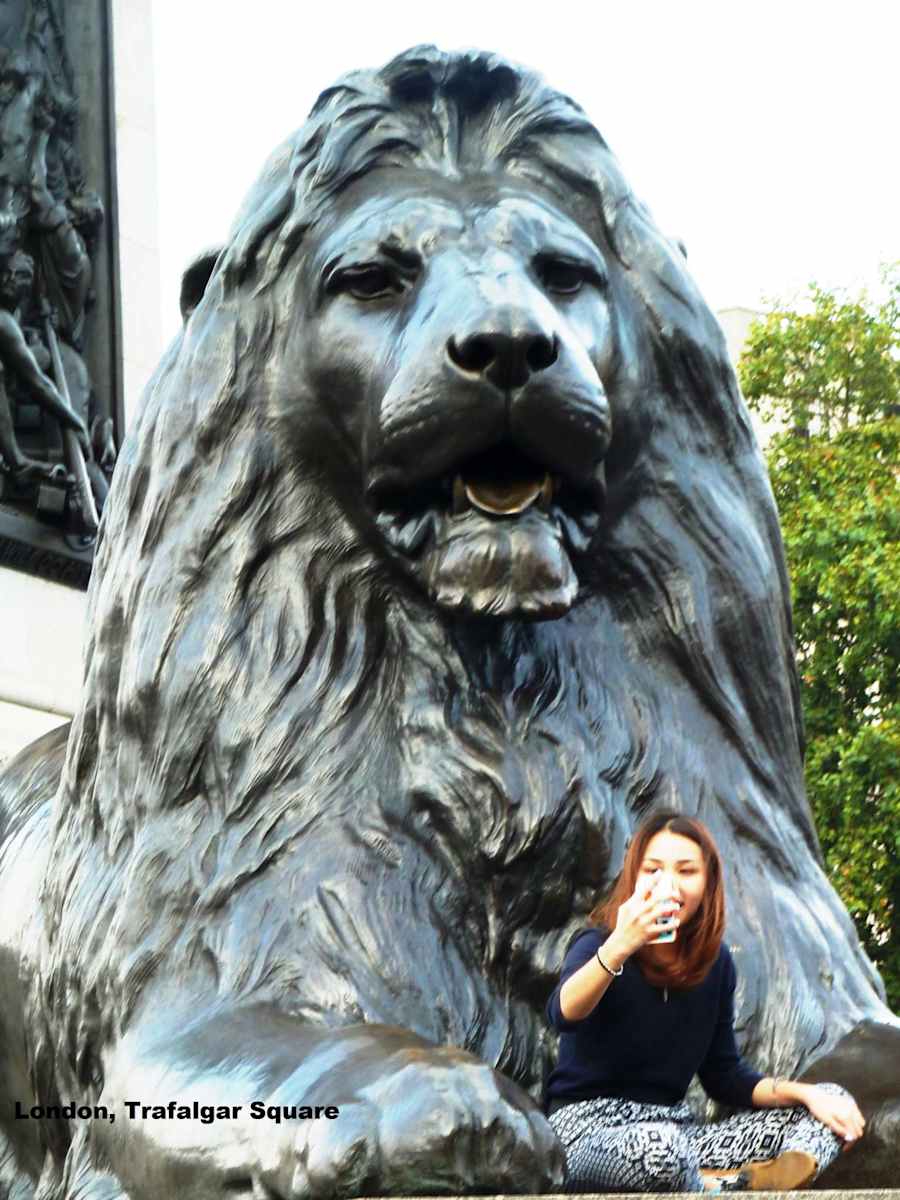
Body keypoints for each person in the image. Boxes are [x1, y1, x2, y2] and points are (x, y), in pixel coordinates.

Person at [545, 810, 865, 1193]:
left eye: (686, 871)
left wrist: (805, 1093)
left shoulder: (716, 965)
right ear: (634, 878)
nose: (668, 884)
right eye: (653, 870)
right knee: (661, 1150)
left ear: (707, 882)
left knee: (832, 1101)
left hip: (681, 1134)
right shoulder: (598, 944)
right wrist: (620, 946)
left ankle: (730, 1181)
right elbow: (563, 1013)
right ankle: (727, 1187)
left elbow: (724, 1076)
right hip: (588, 1133)